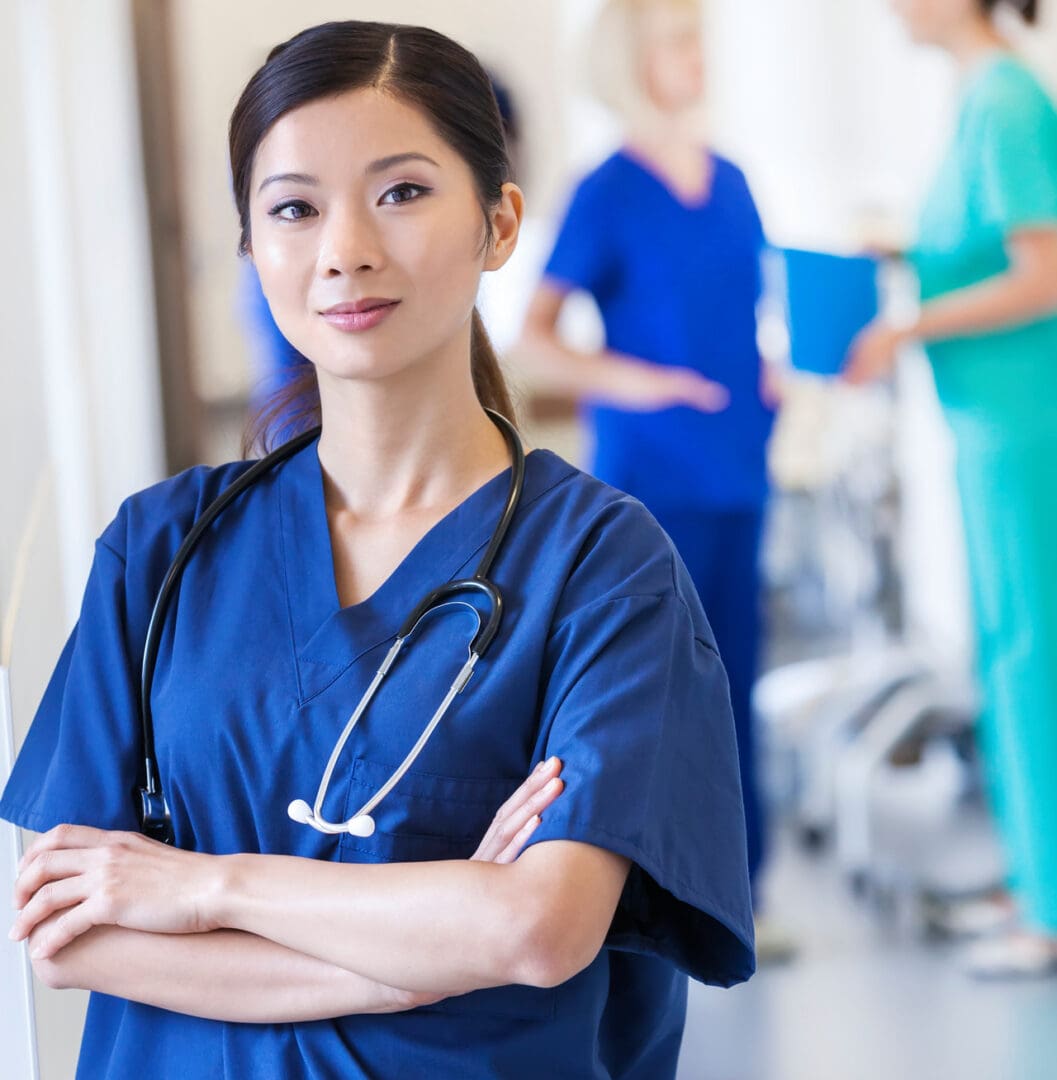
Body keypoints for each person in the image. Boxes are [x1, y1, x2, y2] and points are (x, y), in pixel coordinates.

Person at [1, 20, 753, 1079]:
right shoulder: (162, 550)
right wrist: (433, 946)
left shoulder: (600, 565)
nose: (344, 249)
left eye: (400, 192)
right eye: (294, 208)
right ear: (252, 246)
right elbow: (68, 930)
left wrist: (201, 888)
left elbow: (540, 930)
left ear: (499, 225)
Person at [520, 0, 779, 924]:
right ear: (632, 60)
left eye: (698, 41)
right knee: (654, 686)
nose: (694, 59)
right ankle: (645, 898)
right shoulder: (607, 191)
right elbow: (537, 337)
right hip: (651, 472)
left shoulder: (737, 182)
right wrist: (641, 383)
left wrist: (772, 367)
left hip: (739, 462)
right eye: (676, 43)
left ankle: (744, 890)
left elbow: (747, 315)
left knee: (737, 672)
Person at [846, 0, 1057, 978]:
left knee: (1028, 651)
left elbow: (1042, 275)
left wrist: (904, 327)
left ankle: (1048, 911)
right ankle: (1032, 879)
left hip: (1021, 421)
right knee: (1005, 641)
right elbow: (978, 245)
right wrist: (903, 257)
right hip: (984, 421)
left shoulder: (1007, 102)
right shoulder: (978, 97)